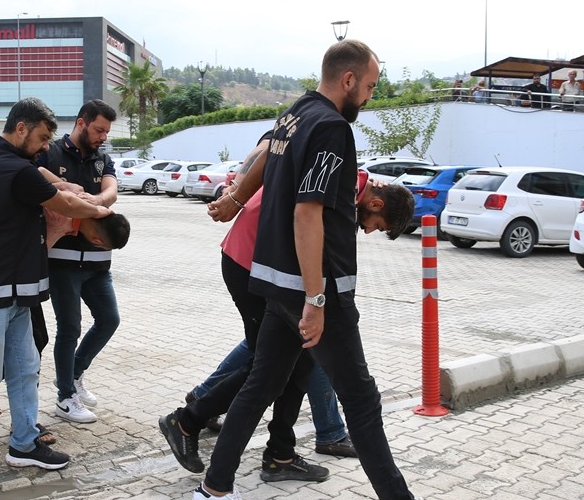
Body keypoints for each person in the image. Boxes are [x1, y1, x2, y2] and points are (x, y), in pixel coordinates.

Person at [187, 39, 475, 500]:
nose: (368, 96)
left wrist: (233, 199)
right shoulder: (331, 128)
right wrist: (317, 301)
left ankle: (215, 486)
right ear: (347, 80)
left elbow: (262, 166)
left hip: (275, 282)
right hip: (311, 290)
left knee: (261, 385)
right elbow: (307, 212)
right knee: (361, 400)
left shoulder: (296, 114)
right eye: (368, 87)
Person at [161, 175, 415, 478]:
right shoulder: (340, 187)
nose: (367, 229)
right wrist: (319, 301)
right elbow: (311, 236)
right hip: (251, 264)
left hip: (270, 268)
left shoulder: (349, 182)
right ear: (376, 203)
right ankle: (188, 422)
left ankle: (279, 454)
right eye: (376, 224)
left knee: (299, 359)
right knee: (267, 366)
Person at [0, 98, 112, 474]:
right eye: (43, 137)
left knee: (26, 366)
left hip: (10, 288)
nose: (47, 146)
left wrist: (61, 181)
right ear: (21, 129)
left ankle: (24, 442)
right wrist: (97, 210)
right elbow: (65, 204)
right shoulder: (13, 169)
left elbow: (40, 179)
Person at [42, 100, 120, 424]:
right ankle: (64, 397)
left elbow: (111, 190)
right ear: (81, 123)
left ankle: (74, 376)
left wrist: (97, 201)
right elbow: (33, 174)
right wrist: (62, 186)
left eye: (106, 132)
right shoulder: (52, 153)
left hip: (99, 262)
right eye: (99, 129)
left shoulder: (102, 158)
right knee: (69, 328)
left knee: (109, 319)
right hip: (63, 260)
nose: (103, 136)